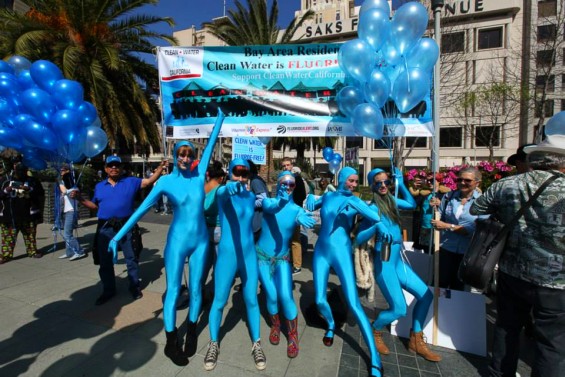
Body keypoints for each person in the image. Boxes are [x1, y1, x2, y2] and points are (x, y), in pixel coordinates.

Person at [108, 111, 225, 366]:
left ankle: (191, 329)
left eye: (189, 154)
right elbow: (140, 210)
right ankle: (172, 341)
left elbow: (213, 140)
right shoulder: (164, 182)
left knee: (196, 289)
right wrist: (118, 235)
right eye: (181, 154)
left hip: (201, 241)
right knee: (172, 289)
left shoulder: (199, 173)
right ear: (175, 156)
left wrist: (220, 117)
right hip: (177, 242)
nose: (185, 158)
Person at [470, 134, 565, 377]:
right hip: (556, 280)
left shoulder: (508, 184)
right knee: (552, 344)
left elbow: (477, 207)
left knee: (507, 328)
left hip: (512, 271)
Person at [306, 167, 390, 377]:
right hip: (321, 253)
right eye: (350, 181)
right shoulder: (328, 196)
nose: (353, 185)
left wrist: (358, 206)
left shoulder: (356, 201)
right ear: (341, 178)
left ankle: (374, 357)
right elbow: (309, 204)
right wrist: (307, 199)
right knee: (319, 300)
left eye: (356, 182)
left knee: (354, 304)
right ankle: (331, 324)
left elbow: (375, 218)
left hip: (342, 253)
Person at [357, 168, 441, 362]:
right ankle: (376, 330)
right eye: (378, 183)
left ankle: (416, 339)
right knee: (399, 309)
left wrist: (401, 183)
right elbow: (357, 238)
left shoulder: (392, 201)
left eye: (386, 182)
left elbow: (411, 204)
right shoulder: (370, 207)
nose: (384, 185)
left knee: (426, 295)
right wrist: (375, 227)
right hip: (384, 261)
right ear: (372, 185)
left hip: (398, 260)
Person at [75, 155, 167, 306]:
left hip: (127, 226)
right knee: (105, 261)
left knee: (131, 258)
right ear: (105, 169)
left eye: (117, 166)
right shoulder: (99, 186)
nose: (114, 168)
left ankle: (134, 287)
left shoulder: (131, 181)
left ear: (122, 168)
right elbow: (94, 206)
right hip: (105, 228)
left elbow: (149, 181)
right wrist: (80, 199)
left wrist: (160, 168)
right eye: (110, 166)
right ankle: (108, 290)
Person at [204, 158, 266, 372]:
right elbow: (219, 194)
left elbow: (266, 204)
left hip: (249, 256)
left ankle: (256, 343)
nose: (240, 177)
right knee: (219, 301)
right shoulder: (224, 194)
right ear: (229, 173)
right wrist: (226, 188)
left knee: (251, 300)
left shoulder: (250, 197)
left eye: (244, 173)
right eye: (236, 172)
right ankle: (213, 343)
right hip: (227, 256)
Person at [257, 171, 316, 358]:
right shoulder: (268, 202)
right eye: (283, 183)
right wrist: (281, 202)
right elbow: (272, 208)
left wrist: (313, 196)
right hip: (262, 258)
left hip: (282, 259)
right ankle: (276, 325)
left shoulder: (297, 210)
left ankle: (292, 335)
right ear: (277, 185)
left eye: (291, 184)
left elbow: (306, 212)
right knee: (272, 295)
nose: (287, 187)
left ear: (295, 187)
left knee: (285, 295)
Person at [430, 167, 484, 290]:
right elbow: (440, 219)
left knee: (459, 287)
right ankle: (437, 309)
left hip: (467, 252)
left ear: (477, 183)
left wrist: (449, 226)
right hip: (446, 248)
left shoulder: (482, 201)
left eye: (467, 180)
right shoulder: (449, 197)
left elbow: (477, 230)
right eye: (459, 179)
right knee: (440, 283)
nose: (462, 183)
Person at [0, 161, 45, 263]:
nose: (21, 172)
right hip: (9, 215)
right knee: (8, 237)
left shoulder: (32, 180)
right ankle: (6, 255)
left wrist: (29, 189)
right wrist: (6, 190)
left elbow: (40, 193)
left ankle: (32, 251)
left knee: (30, 235)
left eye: (23, 170)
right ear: (13, 168)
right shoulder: (5, 180)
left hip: (28, 214)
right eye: (16, 165)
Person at [281, 157, 306, 274]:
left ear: (292, 166)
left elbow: (302, 196)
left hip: (294, 213)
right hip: (283, 213)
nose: (286, 167)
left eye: (288, 165)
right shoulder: (281, 179)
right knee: (285, 239)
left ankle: (297, 266)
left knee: (295, 240)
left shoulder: (297, 179)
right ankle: (285, 262)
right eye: (284, 166)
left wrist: (293, 203)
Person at [58, 164, 86, 261]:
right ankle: (69, 252)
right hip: (66, 211)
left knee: (67, 234)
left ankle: (79, 251)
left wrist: (64, 189)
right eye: (61, 170)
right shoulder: (68, 187)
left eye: (63, 170)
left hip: (72, 211)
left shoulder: (74, 188)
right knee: (67, 233)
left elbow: (70, 193)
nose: (61, 172)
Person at [248, 160, 268, 242]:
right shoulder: (255, 180)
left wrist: (248, 204)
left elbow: (263, 199)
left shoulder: (255, 181)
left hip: (258, 221)